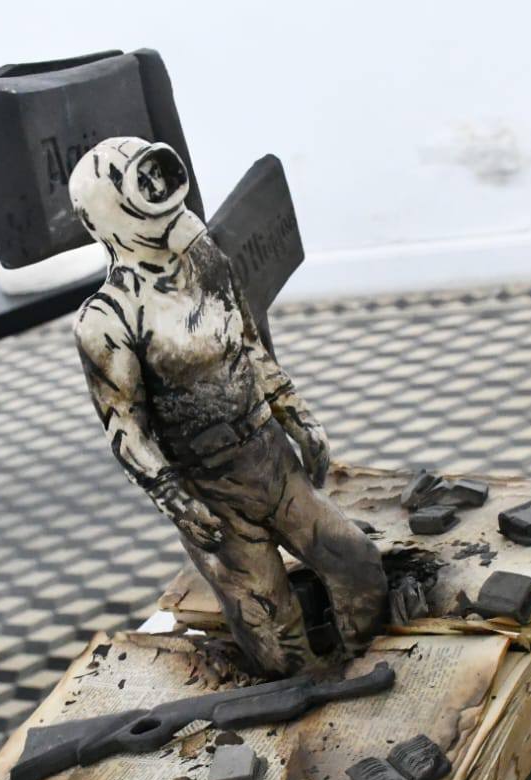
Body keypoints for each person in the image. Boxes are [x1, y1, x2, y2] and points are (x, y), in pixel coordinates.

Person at [68, 136, 386, 676]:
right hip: (212, 491)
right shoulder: (107, 319)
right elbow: (125, 428)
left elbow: (249, 345)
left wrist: (297, 416)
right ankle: (311, 703)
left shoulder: (206, 259)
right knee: (274, 632)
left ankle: (376, 668)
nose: (159, 190)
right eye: (142, 184)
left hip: (270, 459)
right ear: (108, 211)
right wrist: (177, 502)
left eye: (158, 175)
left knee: (356, 564)